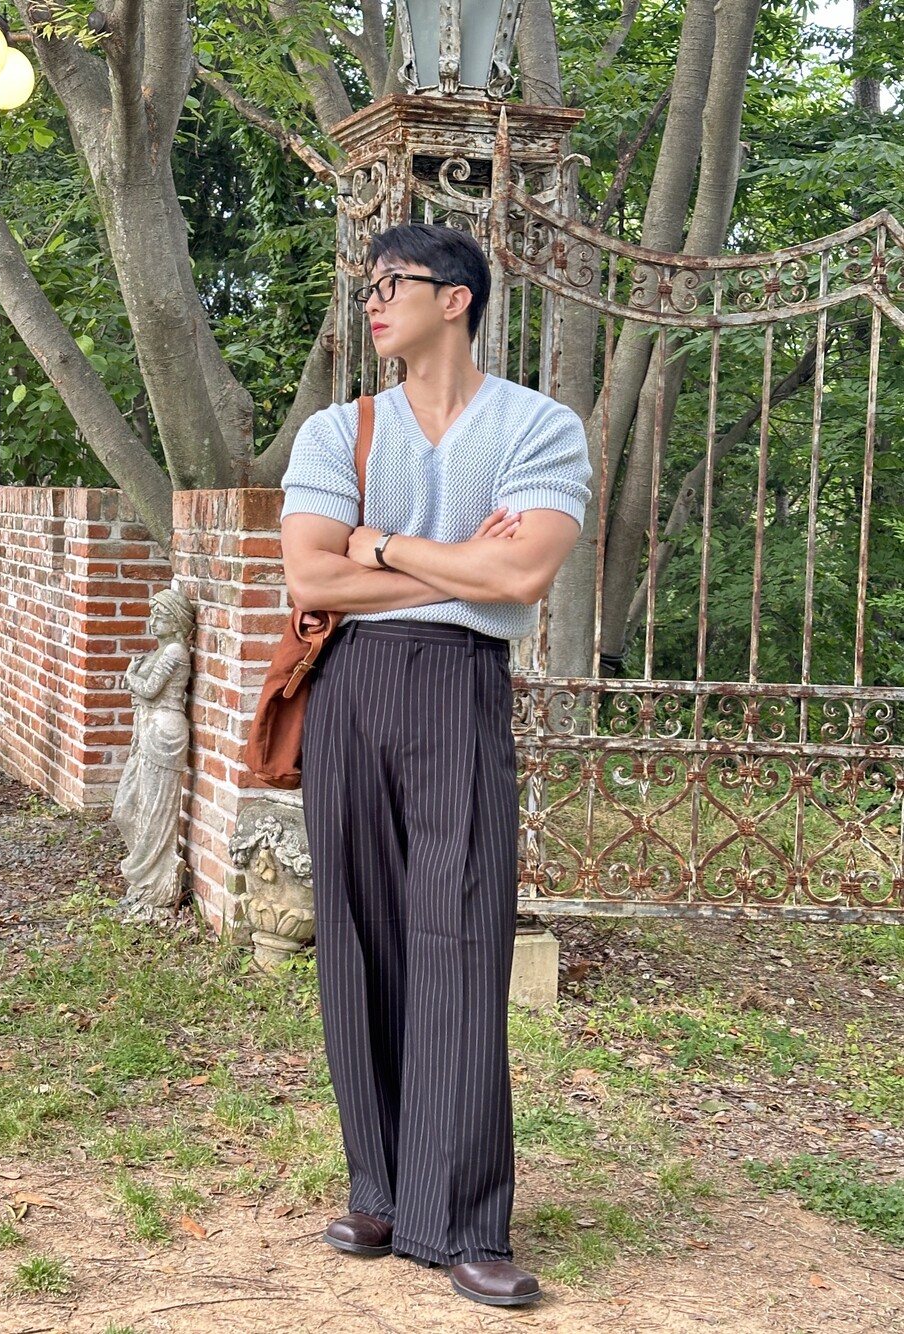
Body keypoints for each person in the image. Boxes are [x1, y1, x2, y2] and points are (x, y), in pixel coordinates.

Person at [280, 223, 591, 1307]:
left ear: (454, 298)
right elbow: (312, 580)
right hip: (350, 688)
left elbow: (524, 579)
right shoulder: (338, 430)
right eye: (367, 286)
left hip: (460, 688)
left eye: (392, 284)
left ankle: (459, 1219)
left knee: (461, 932)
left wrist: (379, 544)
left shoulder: (538, 427)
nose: (372, 302)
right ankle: (379, 1187)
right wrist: (460, 565)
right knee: (358, 932)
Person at [112, 588, 195, 912]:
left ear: (176, 622)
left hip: (165, 732)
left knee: (155, 810)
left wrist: (131, 674)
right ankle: (145, 875)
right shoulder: (162, 651)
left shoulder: (175, 651)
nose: (152, 621)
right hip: (148, 729)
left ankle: (156, 886)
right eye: (152, 614)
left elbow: (148, 689)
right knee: (126, 808)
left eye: (160, 616)